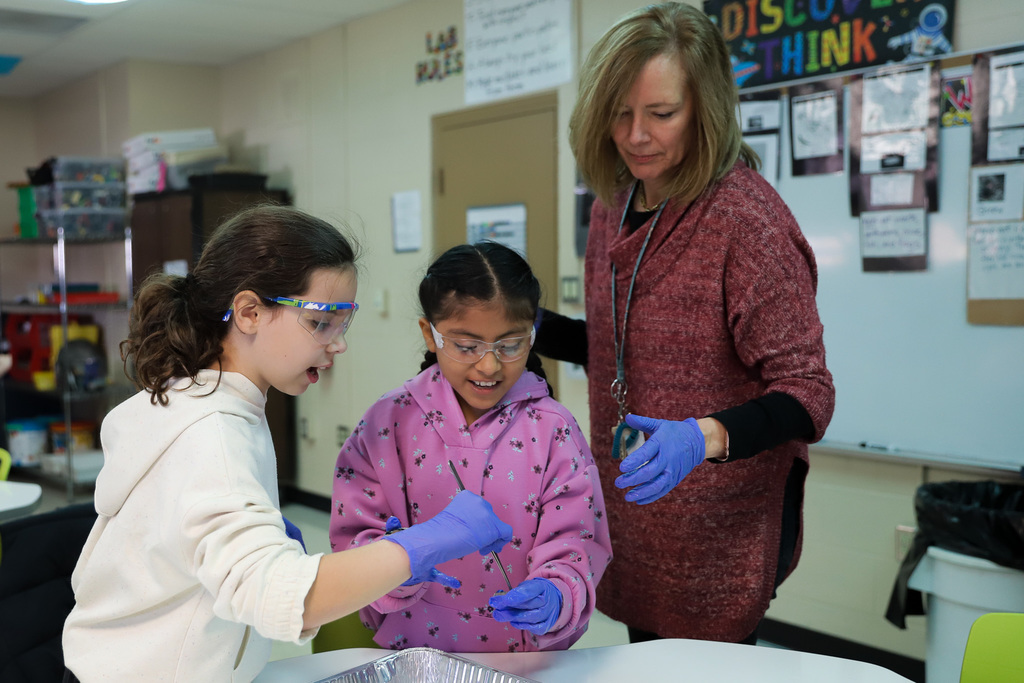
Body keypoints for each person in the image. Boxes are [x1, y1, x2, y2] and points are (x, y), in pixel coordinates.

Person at [62, 206, 513, 682]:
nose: (337, 344)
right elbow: (278, 597)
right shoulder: (214, 435)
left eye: (343, 323)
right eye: (321, 322)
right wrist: (425, 542)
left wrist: (282, 544)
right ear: (250, 312)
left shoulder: (198, 394)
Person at [534, 3, 835, 645]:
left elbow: (808, 395)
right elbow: (621, 347)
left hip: (719, 521)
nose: (636, 135)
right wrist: (514, 326)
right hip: (638, 506)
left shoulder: (745, 222)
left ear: (706, 110)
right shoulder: (613, 207)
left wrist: (702, 437)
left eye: (661, 114)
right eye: (620, 113)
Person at [329, 241, 613, 653]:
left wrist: (558, 594)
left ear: (533, 332)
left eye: (510, 344)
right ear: (430, 334)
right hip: (413, 648)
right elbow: (354, 534)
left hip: (524, 656)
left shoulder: (553, 430)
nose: (489, 365)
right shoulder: (388, 424)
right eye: (466, 346)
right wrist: (390, 567)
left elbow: (577, 537)